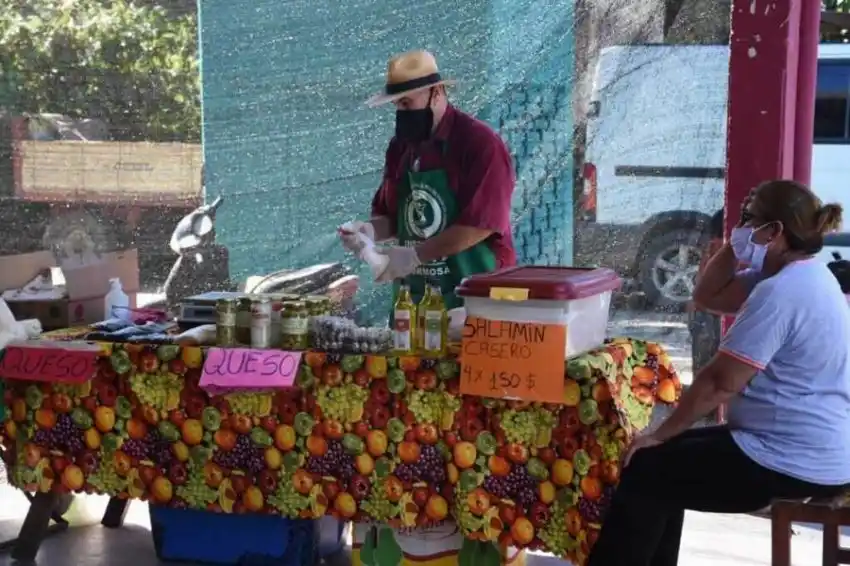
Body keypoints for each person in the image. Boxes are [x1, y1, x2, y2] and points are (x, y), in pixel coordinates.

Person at [587, 180, 850, 566]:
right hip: (792, 443)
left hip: (792, 458)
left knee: (646, 469)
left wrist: (660, 432)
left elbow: (719, 382)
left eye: (749, 219)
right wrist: (736, 243)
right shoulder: (796, 275)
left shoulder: (783, 292)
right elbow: (707, 297)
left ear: (775, 232)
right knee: (659, 463)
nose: (740, 228)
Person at [339, 50, 517, 309]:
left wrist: (415, 255)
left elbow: (481, 224)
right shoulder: (401, 147)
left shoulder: (480, 144)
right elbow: (393, 216)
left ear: (436, 93)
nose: (401, 112)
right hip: (414, 299)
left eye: (407, 103)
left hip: (476, 295)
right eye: (397, 105)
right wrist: (368, 233)